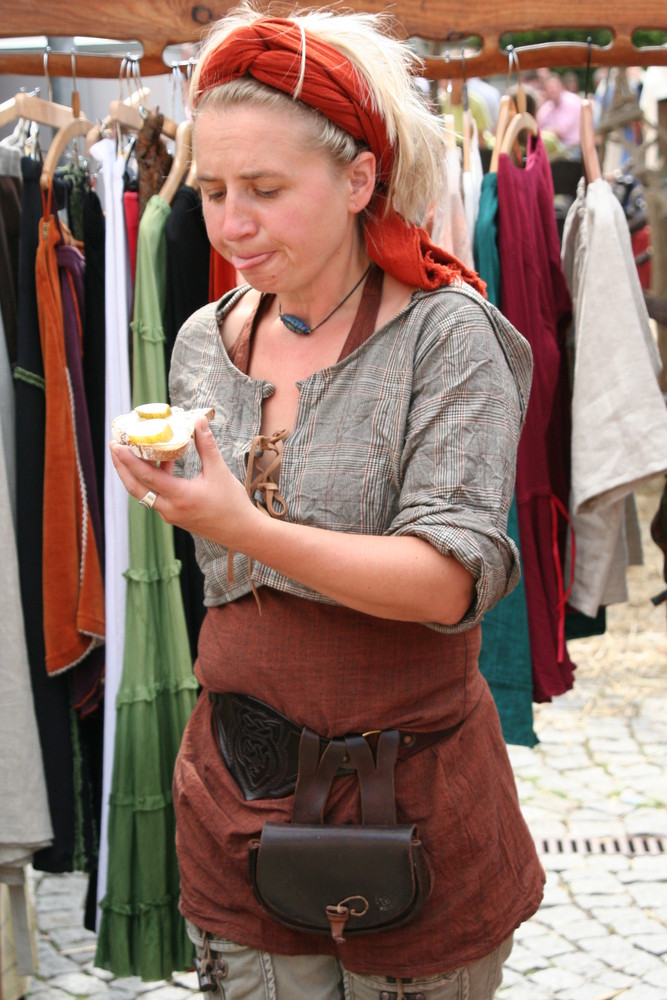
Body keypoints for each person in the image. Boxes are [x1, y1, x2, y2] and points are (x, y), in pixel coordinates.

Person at [109, 4, 545, 997]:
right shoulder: (200, 342)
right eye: (211, 189)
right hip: (236, 799)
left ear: (358, 178)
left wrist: (240, 523)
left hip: (418, 812)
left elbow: (446, 581)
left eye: (264, 188)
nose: (229, 223)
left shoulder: (447, 336)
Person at [536, 72, 582, 150]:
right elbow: (538, 124)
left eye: (554, 87)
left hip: (574, 146)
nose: (552, 90)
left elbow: (562, 130)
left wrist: (546, 130)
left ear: (561, 87)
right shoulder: (547, 106)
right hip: (559, 146)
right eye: (549, 88)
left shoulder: (572, 102)